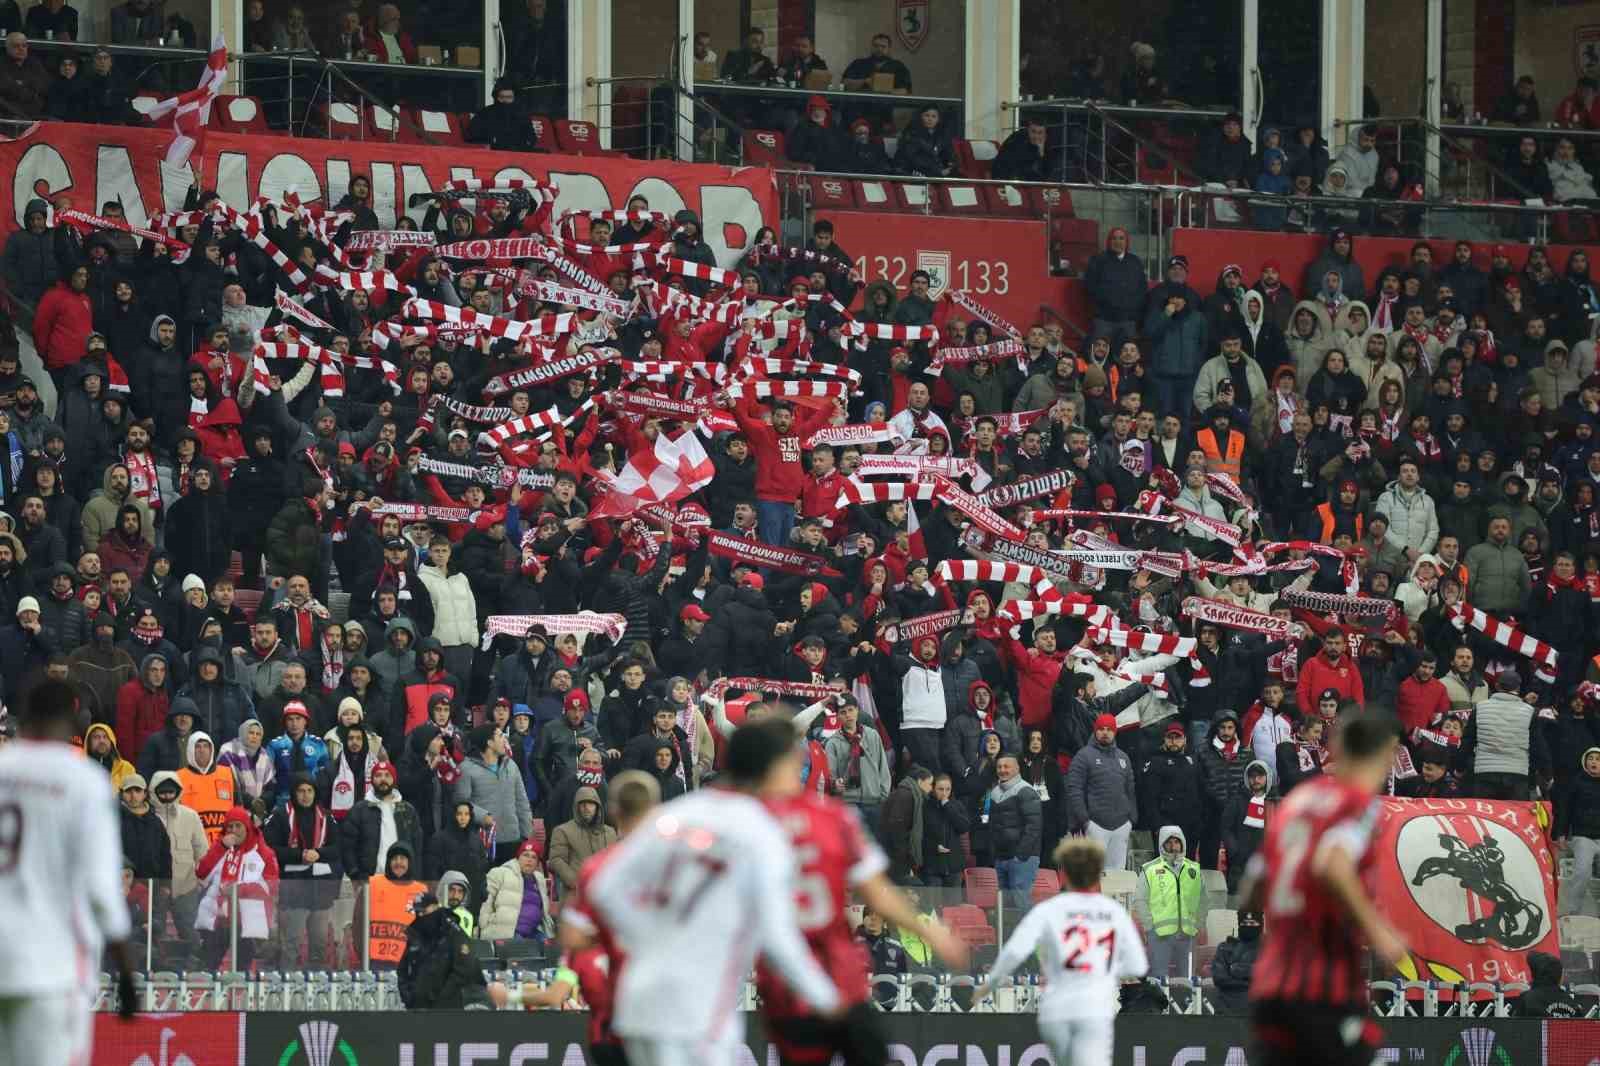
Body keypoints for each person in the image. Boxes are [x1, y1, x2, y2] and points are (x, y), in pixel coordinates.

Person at [583, 718, 845, 1066]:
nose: (797, 777)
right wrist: (836, 1007)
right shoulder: (761, 831)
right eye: (793, 765)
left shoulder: (680, 812)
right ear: (771, 766)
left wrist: (651, 939)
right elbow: (778, 937)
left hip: (640, 1002)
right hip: (697, 1012)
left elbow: (605, 887)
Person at [757, 755, 965, 1066]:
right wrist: (930, 932)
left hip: (787, 984)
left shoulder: (749, 824)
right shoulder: (832, 815)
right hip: (840, 977)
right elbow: (878, 896)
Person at [1240, 714, 1407, 1066]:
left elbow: (1251, 891)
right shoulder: (1357, 805)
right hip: (1323, 988)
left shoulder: (1297, 802)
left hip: (1271, 986)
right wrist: (1380, 932)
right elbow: (1333, 862)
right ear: (1385, 756)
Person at [0, 679, 138, 1064]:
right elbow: (101, 887)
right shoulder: (82, 781)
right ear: (72, 719)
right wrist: (125, 971)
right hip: (51, 965)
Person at [974, 838, 1148, 1066]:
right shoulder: (1113, 912)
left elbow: (1013, 952)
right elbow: (1137, 966)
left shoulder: (1049, 910)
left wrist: (991, 983)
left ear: (1064, 875)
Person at [1138, 825, 1201, 979]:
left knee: (1186, 979)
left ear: (1183, 843)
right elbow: (1140, 900)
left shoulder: (1193, 868)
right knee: (1160, 979)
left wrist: (1200, 924)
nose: (1174, 847)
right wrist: (1149, 927)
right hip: (1159, 935)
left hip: (1187, 934)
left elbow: (1203, 900)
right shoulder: (1149, 869)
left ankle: (1186, 1004)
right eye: (1169, 842)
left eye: (1177, 842)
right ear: (1162, 844)